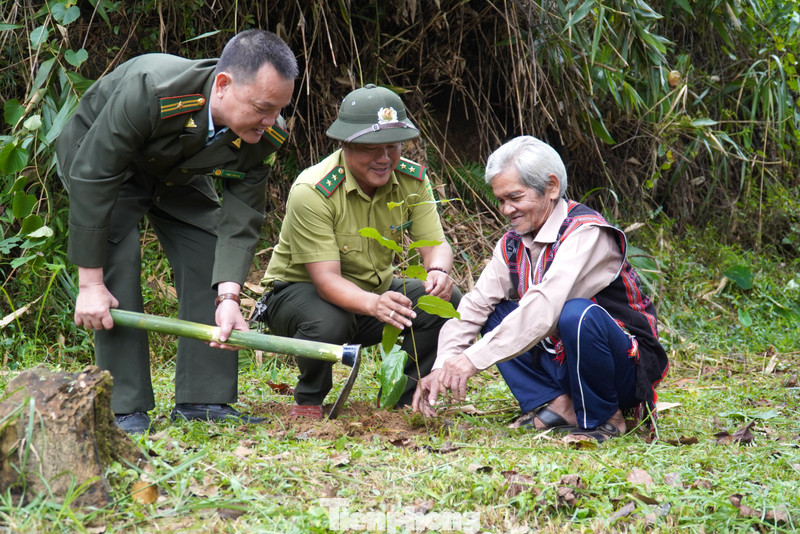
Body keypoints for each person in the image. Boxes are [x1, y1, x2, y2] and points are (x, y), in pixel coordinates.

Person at [55, 29, 298, 434]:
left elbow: (240, 219)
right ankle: (124, 406)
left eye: (279, 109)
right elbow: (96, 173)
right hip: (97, 161)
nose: (271, 121)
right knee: (117, 252)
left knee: (206, 244)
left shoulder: (264, 132)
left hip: (175, 169)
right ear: (223, 85)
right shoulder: (153, 89)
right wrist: (89, 284)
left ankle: (204, 398)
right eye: (262, 107)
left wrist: (230, 295)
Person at [412, 136, 669, 443]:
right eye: (501, 200)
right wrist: (443, 366)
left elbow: (545, 307)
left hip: (624, 368)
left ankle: (607, 418)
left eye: (515, 197)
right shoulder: (511, 244)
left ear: (551, 187)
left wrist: (471, 360)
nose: (506, 209)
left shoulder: (588, 233)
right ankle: (561, 405)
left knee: (576, 313)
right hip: (566, 358)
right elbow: (474, 305)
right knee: (494, 311)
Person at [258, 84, 462, 419]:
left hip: (372, 293)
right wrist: (375, 304)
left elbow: (434, 244)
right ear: (346, 144)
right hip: (298, 296)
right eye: (371, 148)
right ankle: (310, 397)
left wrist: (438, 271)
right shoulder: (313, 190)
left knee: (445, 301)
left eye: (393, 147)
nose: (384, 159)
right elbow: (326, 282)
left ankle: (404, 396)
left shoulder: (412, 179)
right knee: (328, 319)